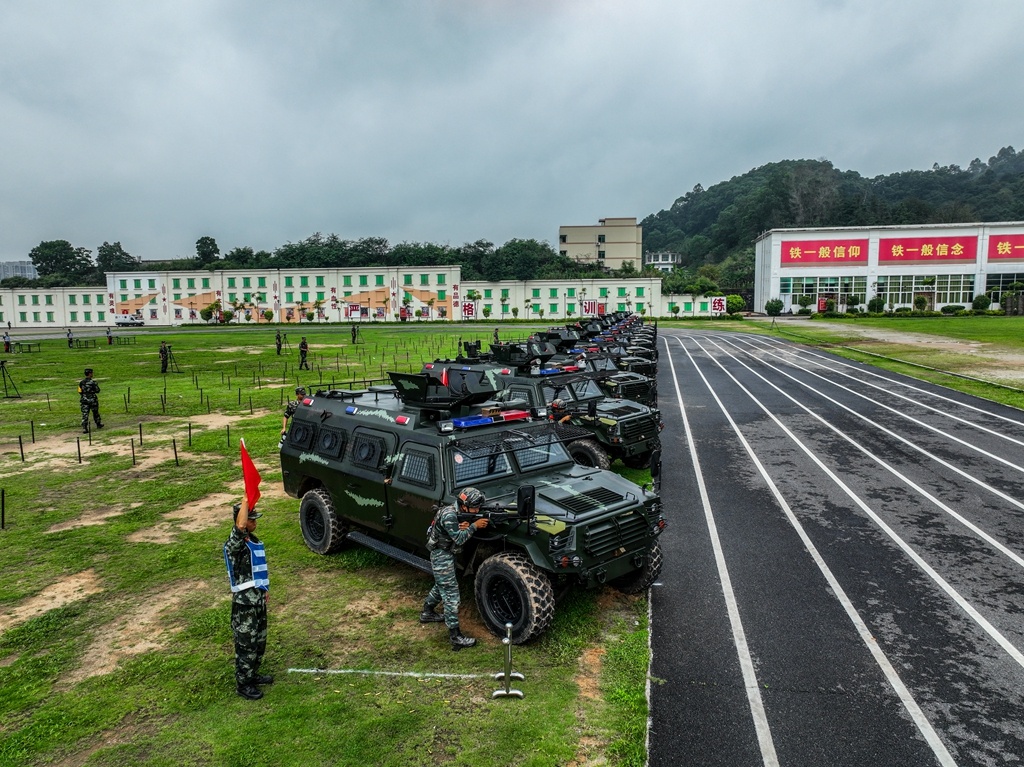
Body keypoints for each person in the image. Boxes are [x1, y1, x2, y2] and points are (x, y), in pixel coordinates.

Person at [421, 487, 489, 649]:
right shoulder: (449, 515)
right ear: (464, 506)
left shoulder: (455, 511)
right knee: (451, 593)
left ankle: (427, 612)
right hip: (441, 555)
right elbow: (459, 539)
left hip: (445, 554)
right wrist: (474, 526)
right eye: (475, 508)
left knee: (441, 585)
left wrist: (464, 525)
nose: (477, 510)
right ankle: (455, 636)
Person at [223, 495, 272, 700]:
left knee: (259, 640)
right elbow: (240, 525)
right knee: (246, 644)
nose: (254, 522)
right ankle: (244, 684)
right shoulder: (235, 544)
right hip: (245, 605)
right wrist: (245, 500)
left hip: (258, 600)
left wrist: (265, 590)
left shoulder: (253, 541)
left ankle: (253, 674)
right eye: (251, 519)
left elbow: (257, 569)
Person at [78, 368, 102, 433]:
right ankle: (98, 424)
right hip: (92, 400)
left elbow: (79, 391)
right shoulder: (93, 382)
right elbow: (98, 390)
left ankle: (85, 428)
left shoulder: (81, 382)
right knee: (95, 412)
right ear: (90, 373)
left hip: (84, 400)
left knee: (85, 414)